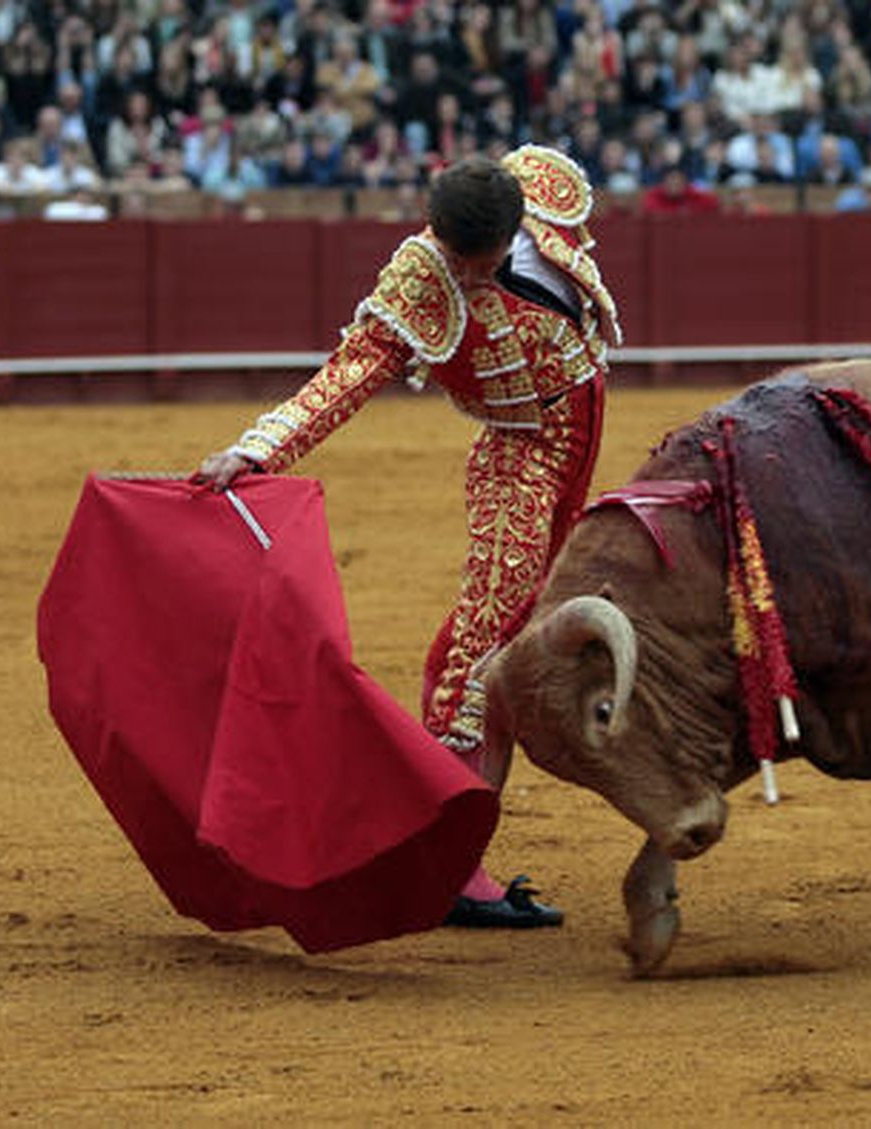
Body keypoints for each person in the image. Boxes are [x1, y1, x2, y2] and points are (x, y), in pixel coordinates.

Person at [196, 148, 621, 930]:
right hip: (519, 449)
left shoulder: (544, 190)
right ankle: (448, 860)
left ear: (515, 228)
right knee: (484, 636)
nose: (464, 278)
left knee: (535, 622)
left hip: (581, 438)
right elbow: (353, 370)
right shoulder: (420, 275)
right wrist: (258, 450)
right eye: (457, 263)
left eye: (479, 265)